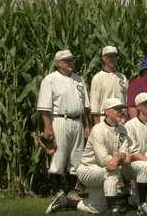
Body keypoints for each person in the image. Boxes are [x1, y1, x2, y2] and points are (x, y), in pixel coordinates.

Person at [51, 98, 131, 216]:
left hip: (102, 172)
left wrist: (118, 156)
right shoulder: (98, 129)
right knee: (112, 171)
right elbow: (104, 160)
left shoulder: (122, 129)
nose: (121, 111)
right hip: (88, 170)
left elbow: (125, 152)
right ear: (107, 111)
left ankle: (66, 201)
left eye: (121, 109)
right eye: (116, 109)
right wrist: (121, 159)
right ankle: (112, 209)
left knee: (97, 208)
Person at [38, 50, 91, 214]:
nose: (70, 62)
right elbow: (44, 107)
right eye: (66, 60)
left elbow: (84, 107)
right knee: (59, 156)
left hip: (77, 121)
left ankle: (71, 192)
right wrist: (48, 127)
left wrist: (86, 125)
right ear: (58, 63)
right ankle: (56, 193)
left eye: (71, 60)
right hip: (60, 120)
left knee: (76, 158)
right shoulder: (50, 80)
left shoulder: (78, 80)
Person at [90, 46, 128, 124]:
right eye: (110, 56)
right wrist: (97, 126)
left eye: (115, 56)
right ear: (104, 58)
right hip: (104, 118)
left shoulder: (122, 78)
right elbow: (94, 105)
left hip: (121, 119)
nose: (113, 59)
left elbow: (126, 99)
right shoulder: (98, 78)